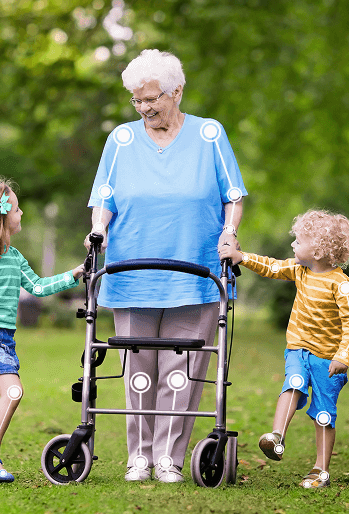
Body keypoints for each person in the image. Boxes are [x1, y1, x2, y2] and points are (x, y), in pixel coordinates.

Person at [85, 49, 249, 483]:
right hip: (133, 271)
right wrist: (97, 230)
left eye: (152, 98)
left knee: (183, 373)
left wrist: (229, 233)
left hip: (195, 271)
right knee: (138, 371)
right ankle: (138, 456)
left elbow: (233, 194)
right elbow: (103, 199)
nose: (144, 108)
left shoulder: (210, 135)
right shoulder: (120, 140)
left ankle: (169, 458)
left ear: (177, 91)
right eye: (137, 101)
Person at [0, 179, 85, 484]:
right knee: (13, 391)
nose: (23, 212)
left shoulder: (14, 257)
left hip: (4, 338)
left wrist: (73, 275)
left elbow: (37, 287)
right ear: (1, 217)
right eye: (17, 208)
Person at [219, 210, 349, 489]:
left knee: (323, 414)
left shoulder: (341, 284)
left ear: (319, 250)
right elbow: (272, 267)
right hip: (298, 349)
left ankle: (321, 470)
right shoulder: (300, 270)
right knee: (293, 383)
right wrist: (242, 257)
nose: (293, 244)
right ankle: (276, 436)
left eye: (300, 240)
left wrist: (343, 355)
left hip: (327, 359)